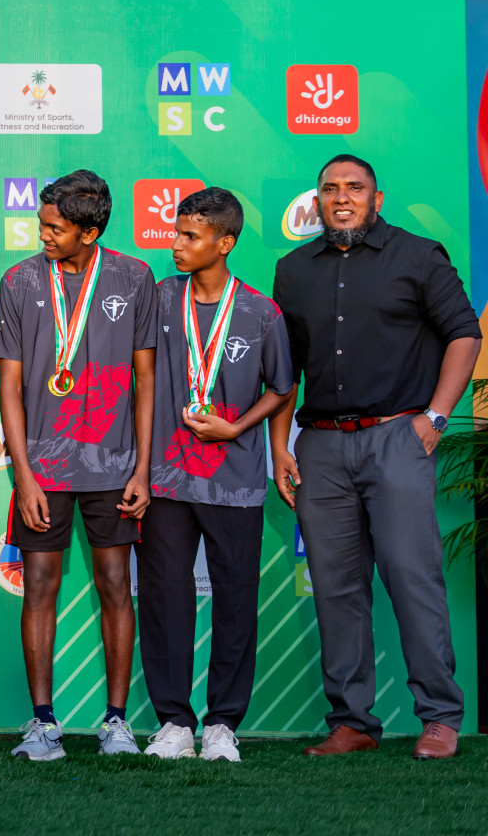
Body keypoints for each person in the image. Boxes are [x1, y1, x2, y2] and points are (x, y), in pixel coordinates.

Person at [270, 155, 481, 760]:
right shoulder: (293, 270)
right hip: (323, 446)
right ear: (317, 200)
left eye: (354, 188)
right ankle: (352, 721)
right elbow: (287, 370)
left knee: (413, 579)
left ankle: (439, 717)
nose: (341, 198)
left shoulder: (418, 255)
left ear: (376, 197)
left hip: (397, 438)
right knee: (336, 589)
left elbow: (465, 334)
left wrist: (434, 419)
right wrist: (281, 445)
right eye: (330, 189)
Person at [0, 169, 156, 760]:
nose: (44, 235)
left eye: (55, 227)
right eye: (41, 224)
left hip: (114, 469)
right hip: (44, 471)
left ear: (91, 231)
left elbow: (145, 379)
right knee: (39, 586)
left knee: (116, 584)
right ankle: (42, 723)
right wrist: (23, 473)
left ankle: (116, 721)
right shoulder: (18, 280)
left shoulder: (135, 277)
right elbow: (6, 387)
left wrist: (141, 468)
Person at [137, 188, 294, 763]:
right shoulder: (158, 298)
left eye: (189, 237)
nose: (175, 245)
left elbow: (282, 387)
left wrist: (237, 429)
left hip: (236, 478)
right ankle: (174, 721)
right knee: (164, 597)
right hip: (167, 478)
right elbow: (140, 379)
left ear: (224, 243)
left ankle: (224, 722)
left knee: (234, 597)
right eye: (176, 233)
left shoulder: (259, 311)